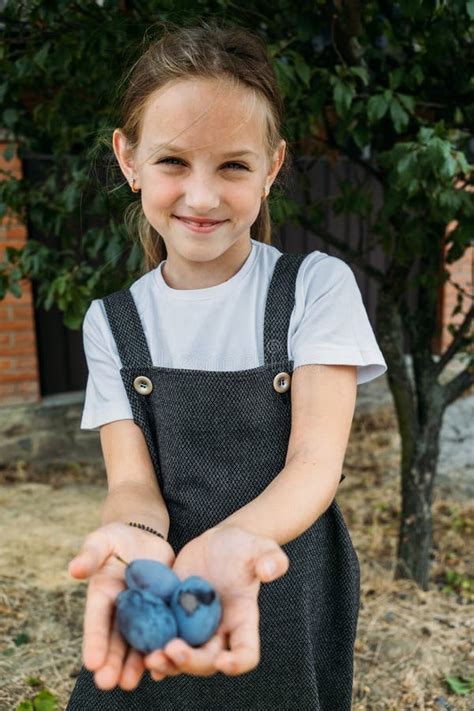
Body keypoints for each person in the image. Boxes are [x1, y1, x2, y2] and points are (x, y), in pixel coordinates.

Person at [65, 21, 387, 710]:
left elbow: (313, 465)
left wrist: (236, 539)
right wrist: (135, 542)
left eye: (233, 165)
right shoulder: (111, 323)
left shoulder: (314, 290)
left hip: (283, 578)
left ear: (272, 167)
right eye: (173, 162)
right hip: (162, 584)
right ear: (129, 160)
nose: (203, 197)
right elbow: (133, 485)